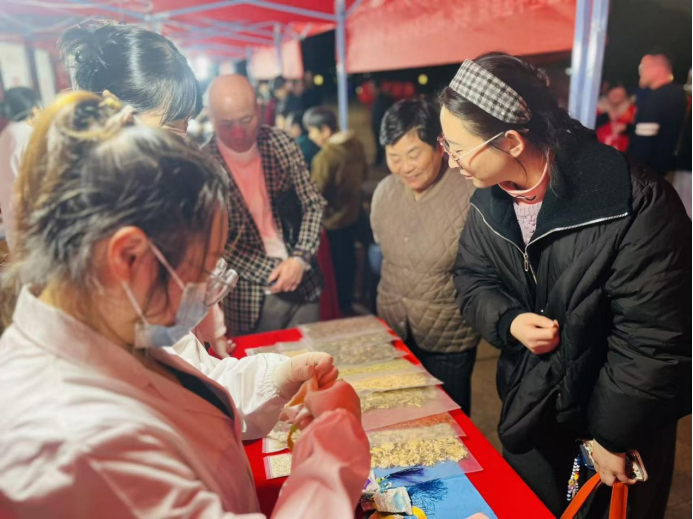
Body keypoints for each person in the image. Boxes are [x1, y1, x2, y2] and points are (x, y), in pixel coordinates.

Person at [0, 92, 370, 518]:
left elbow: (195, 383)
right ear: (128, 256)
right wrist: (331, 452)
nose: (204, 289)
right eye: (200, 269)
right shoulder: (75, 444)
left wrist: (279, 376)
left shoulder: (114, 317)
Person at [441, 53, 692, 518]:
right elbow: (471, 279)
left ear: (511, 141)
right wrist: (509, 320)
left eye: (458, 147)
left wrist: (613, 435)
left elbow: (655, 337)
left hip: (613, 427)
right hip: (530, 410)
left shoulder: (633, 200)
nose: (451, 160)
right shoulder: (488, 201)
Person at [59, 21, 231, 357]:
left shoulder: (144, 189)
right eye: (172, 129)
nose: (183, 145)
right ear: (117, 116)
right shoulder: (95, 217)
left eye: (185, 128)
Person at [371, 99, 481, 414]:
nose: (405, 167)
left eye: (413, 154)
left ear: (439, 145)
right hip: (393, 332)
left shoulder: (471, 193)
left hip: (448, 340)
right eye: (394, 157)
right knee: (398, 418)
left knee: (448, 423)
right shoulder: (384, 192)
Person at [206, 75, 325, 336]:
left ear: (259, 109)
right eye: (227, 124)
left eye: (246, 120)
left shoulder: (280, 143)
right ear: (210, 117)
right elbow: (215, 243)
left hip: (303, 280)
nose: (238, 132)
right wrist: (276, 271)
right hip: (248, 297)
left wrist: (300, 259)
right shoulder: (204, 165)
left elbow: (312, 204)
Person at [304, 107, 367, 314]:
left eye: (312, 131)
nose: (310, 136)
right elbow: (365, 174)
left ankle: (339, 310)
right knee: (350, 264)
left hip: (333, 222)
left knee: (335, 271)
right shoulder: (356, 144)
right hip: (353, 215)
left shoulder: (325, 157)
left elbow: (316, 194)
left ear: (325, 130)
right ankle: (349, 304)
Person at [628, 49, 688, 176]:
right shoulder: (677, 94)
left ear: (659, 68)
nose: (640, 72)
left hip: (646, 174)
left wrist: (631, 173)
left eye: (643, 67)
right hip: (662, 170)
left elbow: (643, 144)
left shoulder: (657, 97)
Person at [0, 87, 40, 251]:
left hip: (13, 220)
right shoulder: (28, 134)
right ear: (32, 107)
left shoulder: (6, 135)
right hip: (31, 218)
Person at [595, 84, 635, 152]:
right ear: (608, 93)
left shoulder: (632, 110)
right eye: (614, 94)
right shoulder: (599, 107)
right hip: (598, 149)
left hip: (623, 151)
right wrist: (607, 116)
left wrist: (626, 128)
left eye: (620, 95)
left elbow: (636, 129)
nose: (616, 97)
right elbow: (590, 125)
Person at [371, 81, 394, 167]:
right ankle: (379, 162)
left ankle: (384, 163)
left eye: (372, 87)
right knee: (379, 146)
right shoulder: (377, 98)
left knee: (384, 146)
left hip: (381, 127)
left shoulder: (384, 99)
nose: (370, 90)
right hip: (377, 127)